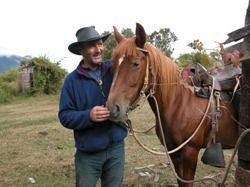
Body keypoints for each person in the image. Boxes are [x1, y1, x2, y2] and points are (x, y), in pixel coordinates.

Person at [58, 26, 128, 187]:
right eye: (91, 46)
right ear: (80, 50)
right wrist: (88, 116)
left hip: (117, 149)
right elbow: (64, 116)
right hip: (89, 153)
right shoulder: (71, 81)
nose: (98, 50)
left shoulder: (114, 68)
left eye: (100, 44)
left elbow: (133, 68)